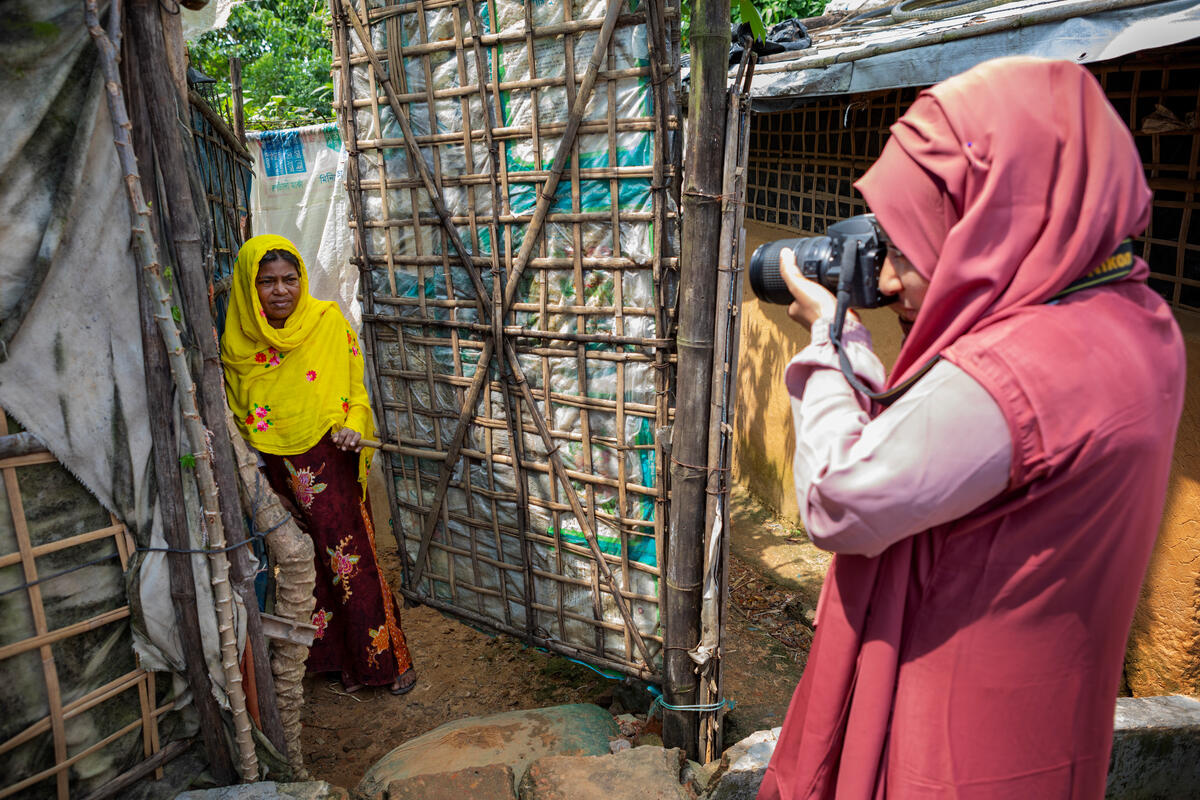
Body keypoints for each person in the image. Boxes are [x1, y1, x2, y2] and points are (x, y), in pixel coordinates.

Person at [757, 57, 1186, 799]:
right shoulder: (1140, 321)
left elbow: (839, 501)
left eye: (908, 247)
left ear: (987, 225)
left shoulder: (1014, 371)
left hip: (951, 741)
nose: (887, 280)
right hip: (1046, 725)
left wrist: (835, 346)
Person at [222, 234, 416, 695]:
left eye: (290, 279)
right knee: (300, 566)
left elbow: (356, 390)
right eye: (266, 282)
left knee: (350, 563)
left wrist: (352, 424)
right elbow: (234, 411)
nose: (280, 290)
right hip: (272, 470)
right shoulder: (236, 344)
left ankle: (385, 662)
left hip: (329, 461)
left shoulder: (327, 324)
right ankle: (330, 661)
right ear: (249, 289)